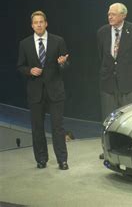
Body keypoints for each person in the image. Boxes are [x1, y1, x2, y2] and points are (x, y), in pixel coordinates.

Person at [17, 11, 70, 170]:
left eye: (41, 22)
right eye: (36, 22)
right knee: (37, 127)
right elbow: (20, 66)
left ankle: (62, 160)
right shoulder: (24, 44)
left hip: (55, 90)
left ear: (46, 23)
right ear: (32, 25)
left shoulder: (58, 41)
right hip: (35, 91)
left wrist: (62, 63)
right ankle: (41, 159)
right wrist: (29, 71)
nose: (39, 25)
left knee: (57, 127)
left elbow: (66, 66)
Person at [97, 3, 132, 159]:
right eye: (109, 14)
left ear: (123, 15)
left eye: (113, 14)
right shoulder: (102, 32)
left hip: (129, 82)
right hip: (108, 83)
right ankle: (108, 150)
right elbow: (101, 56)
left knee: (129, 118)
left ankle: (128, 150)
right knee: (108, 119)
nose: (110, 16)